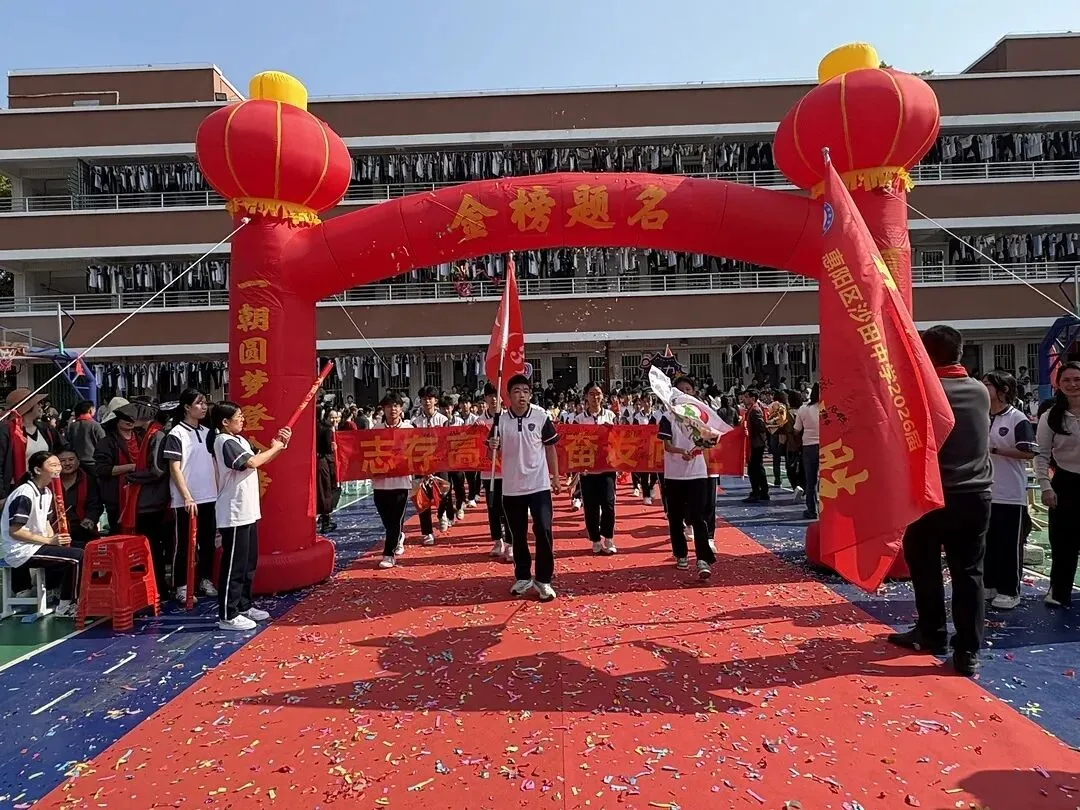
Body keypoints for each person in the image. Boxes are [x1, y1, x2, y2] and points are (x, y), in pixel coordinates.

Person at [889, 325, 991, 677]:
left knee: (925, 568)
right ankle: (968, 651)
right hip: (974, 494)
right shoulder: (980, 391)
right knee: (969, 573)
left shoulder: (919, 393)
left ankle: (932, 632)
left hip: (929, 495)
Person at [207, 401, 291, 631]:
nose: (242, 419)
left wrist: (280, 445)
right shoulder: (223, 441)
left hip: (248, 511)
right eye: (238, 416)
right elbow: (251, 462)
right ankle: (228, 614)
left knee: (247, 564)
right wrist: (275, 447)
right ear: (225, 422)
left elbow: (260, 460)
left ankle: (244, 605)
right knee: (234, 565)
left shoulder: (240, 440)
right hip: (233, 512)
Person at [488, 374, 561, 602]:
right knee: (517, 534)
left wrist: (555, 477)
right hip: (512, 488)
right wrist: (492, 446)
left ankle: (544, 579)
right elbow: (491, 454)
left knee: (544, 530)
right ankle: (522, 576)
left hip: (539, 485)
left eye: (526, 391)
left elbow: (550, 448)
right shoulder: (500, 421)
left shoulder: (540, 416)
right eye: (517, 391)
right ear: (508, 396)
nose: (522, 395)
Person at [1, 451, 83, 618]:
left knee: (84, 548)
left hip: (36, 544)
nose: (58, 468)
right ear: (38, 470)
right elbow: (15, 531)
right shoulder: (24, 493)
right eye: (53, 465)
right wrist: (49, 541)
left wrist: (58, 541)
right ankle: (66, 605)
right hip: (20, 549)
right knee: (77, 557)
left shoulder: (47, 492)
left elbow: (45, 523)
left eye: (58, 465)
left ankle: (57, 591)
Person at [982, 371, 1037, 610]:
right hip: (985, 491)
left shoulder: (1016, 418)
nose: (983, 388)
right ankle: (990, 584)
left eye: (987, 385)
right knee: (988, 543)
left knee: (1008, 545)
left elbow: (1029, 451)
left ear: (1003, 390)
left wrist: (995, 451)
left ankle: (1010, 590)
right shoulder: (982, 416)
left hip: (1010, 494)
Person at [657, 375, 718, 580]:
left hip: (697, 473)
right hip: (674, 474)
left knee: (698, 517)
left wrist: (704, 444)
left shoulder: (700, 416)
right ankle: (681, 553)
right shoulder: (667, 417)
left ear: (693, 393)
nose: (684, 393)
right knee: (675, 517)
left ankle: (702, 559)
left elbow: (710, 439)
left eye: (688, 390)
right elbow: (666, 445)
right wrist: (681, 451)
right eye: (680, 390)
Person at [162, 390, 219, 603]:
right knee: (184, 544)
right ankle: (182, 585)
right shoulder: (176, 434)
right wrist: (186, 496)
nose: (203, 407)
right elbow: (174, 468)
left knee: (207, 541)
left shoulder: (208, 432)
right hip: (186, 499)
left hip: (209, 495)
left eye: (205, 403)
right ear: (187, 407)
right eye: (199, 403)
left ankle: (204, 579)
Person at [1034, 361, 1080, 608]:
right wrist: (1045, 487)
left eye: (1077, 379)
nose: (1073, 385)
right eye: (1067, 380)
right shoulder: (1050, 416)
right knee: (1063, 542)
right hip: (1065, 482)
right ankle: (1059, 591)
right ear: (1059, 385)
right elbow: (1041, 454)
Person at [0, 387, 66, 505]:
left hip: (44, 487)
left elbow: (63, 449)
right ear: (29, 407)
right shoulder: (7, 431)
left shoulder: (46, 429)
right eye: (38, 403)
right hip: (16, 489)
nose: (41, 406)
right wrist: (1, 496)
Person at [575, 381, 619, 555]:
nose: (595, 397)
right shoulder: (578, 419)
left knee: (608, 503)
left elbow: (620, 438)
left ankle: (608, 537)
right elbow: (574, 443)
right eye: (592, 394)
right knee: (591, 505)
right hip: (588, 468)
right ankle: (595, 539)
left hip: (607, 467)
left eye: (598, 393)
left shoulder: (610, 416)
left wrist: (612, 431)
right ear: (586, 396)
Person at [372, 392, 412, 569]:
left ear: (401, 408)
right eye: (389, 406)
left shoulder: (409, 429)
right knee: (387, 521)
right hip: (380, 484)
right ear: (383, 409)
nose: (392, 409)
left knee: (395, 521)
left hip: (401, 483)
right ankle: (398, 536)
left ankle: (389, 554)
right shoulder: (375, 429)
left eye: (396, 405)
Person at [475, 383, 511, 561]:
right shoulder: (479, 422)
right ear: (485, 399)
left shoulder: (508, 418)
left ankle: (510, 543)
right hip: (488, 472)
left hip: (508, 471)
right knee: (492, 507)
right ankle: (498, 541)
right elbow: (473, 445)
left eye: (497, 395)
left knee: (509, 507)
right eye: (490, 396)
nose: (494, 399)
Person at [412, 386, 449, 543]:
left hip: (440, 463)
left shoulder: (443, 420)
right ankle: (427, 532)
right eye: (424, 399)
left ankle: (442, 514)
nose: (427, 401)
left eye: (430, 398)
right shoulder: (415, 422)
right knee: (422, 498)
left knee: (444, 492)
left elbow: (446, 443)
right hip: (421, 464)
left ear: (435, 401)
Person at [57, 449, 103, 548]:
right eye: (62, 461)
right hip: (56, 530)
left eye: (71, 459)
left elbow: (95, 506)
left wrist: (86, 525)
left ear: (78, 462)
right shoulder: (50, 482)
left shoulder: (89, 480)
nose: (67, 463)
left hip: (82, 529)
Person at [793, 383, 821, 520]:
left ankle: (812, 509)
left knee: (811, 480)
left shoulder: (803, 409)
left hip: (809, 445)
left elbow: (796, 429)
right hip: (828, 446)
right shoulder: (829, 408)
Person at [740, 389, 770, 502]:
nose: (744, 399)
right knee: (756, 467)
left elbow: (761, 426)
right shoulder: (752, 409)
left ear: (753, 398)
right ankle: (761, 491)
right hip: (755, 442)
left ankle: (758, 491)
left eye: (746, 397)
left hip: (756, 443)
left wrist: (749, 432)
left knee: (755, 468)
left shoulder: (755, 410)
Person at [316, 408, 341, 534]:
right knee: (326, 490)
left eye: (336, 417)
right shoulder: (326, 430)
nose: (334, 419)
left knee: (326, 489)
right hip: (324, 462)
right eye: (331, 417)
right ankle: (325, 520)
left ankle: (324, 517)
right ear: (325, 417)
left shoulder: (325, 428)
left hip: (325, 462)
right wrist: (332, 447)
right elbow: (327, 447)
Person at [65, 400, 105, 470]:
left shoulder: (73, 426)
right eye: (94, 408)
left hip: (77, 462)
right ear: (90, 410)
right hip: (93, 463)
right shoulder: (95, 425)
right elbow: (103, 443)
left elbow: (68, 442)